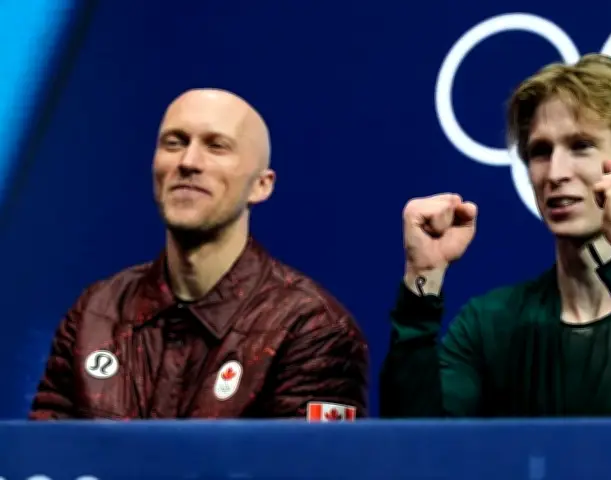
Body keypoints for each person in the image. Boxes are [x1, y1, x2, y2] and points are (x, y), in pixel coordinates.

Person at [380, 54, 611, 417]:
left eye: (581, 146)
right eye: (540, 152)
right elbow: (414, 447)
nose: (556, 172)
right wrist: (422, 280)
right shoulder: (491, 323)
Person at [30, 88, 368, 420]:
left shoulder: (311, 329)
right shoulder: (95, 313)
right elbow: (43, 451)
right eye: (174, 143)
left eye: (217, 146)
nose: (188, 162)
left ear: (261, 185)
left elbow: (307, 457)